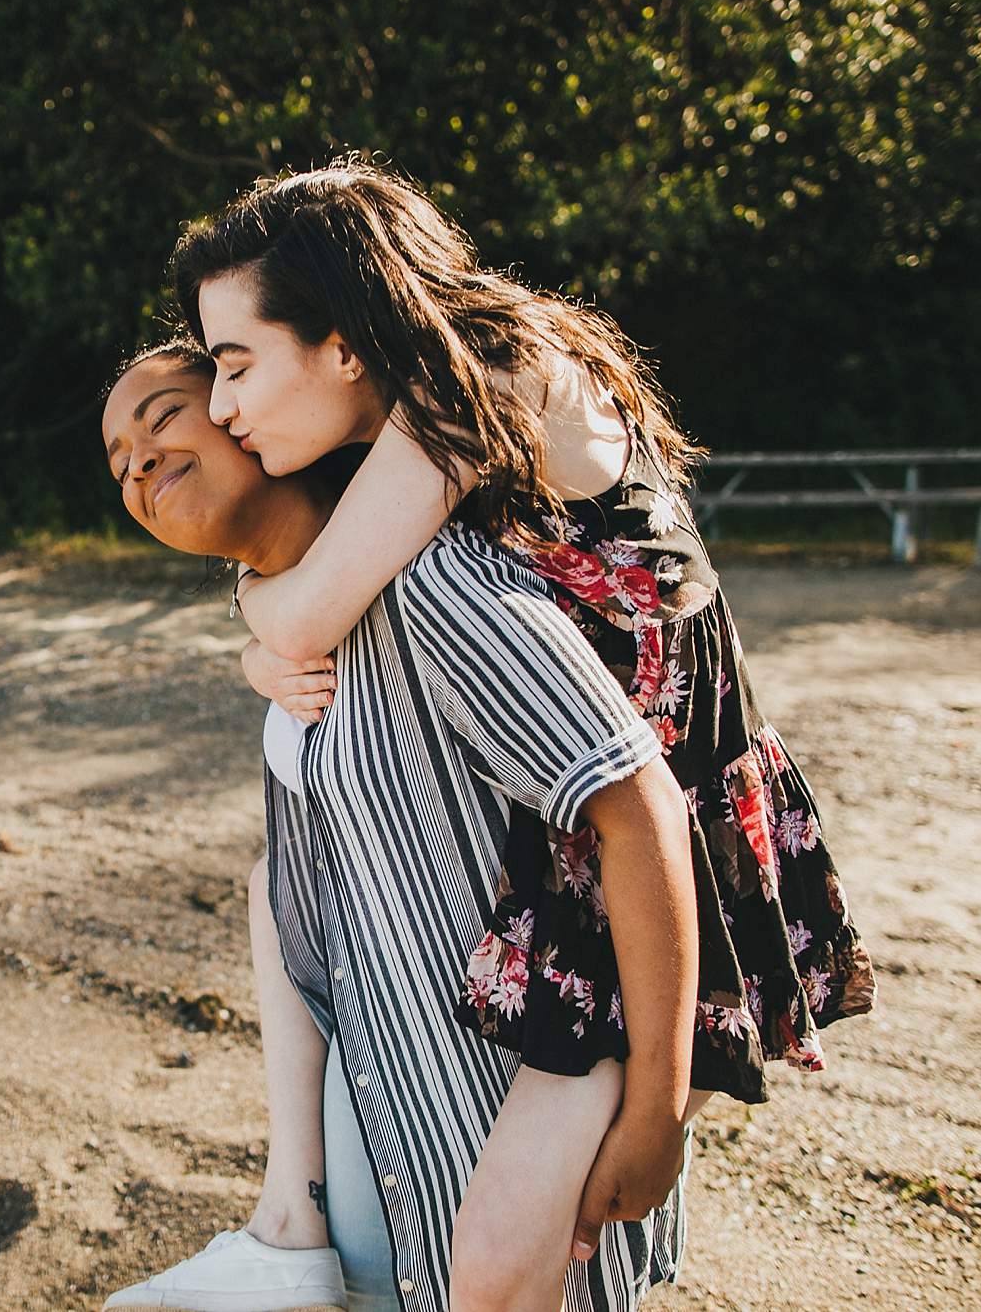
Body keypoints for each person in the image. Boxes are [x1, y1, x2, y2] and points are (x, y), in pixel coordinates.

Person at [168, 159, 875, 1302]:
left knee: (501, 1262)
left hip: (654, 851)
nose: (220, 408)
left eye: (235, 365)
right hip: (609, 845)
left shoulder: (474, 378)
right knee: (511, 1264)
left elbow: (308, 610)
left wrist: (255, 628)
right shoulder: (490, 370)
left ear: (344, 342)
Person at [98, 344, 704, 1312]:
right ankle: (282, 1229)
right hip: (373, 1050)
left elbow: (635, 815)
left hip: (488, 1074)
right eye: (116, 455)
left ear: (250, 413)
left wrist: (652, 1104)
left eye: (162, 414)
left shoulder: (432, 586)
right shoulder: (306, 615)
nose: (133, 457)